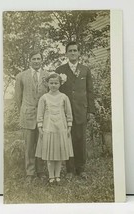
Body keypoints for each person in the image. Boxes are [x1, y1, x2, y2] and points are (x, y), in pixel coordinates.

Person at [56, 41, 95, 179]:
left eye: (75, 50)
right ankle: (70, 170)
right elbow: (56, 91)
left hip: (81, 111)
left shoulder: (85, 69)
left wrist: (90, 110)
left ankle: (81, 168)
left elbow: (90, 91)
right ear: (66, 53)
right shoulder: (60, 70)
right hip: (65, 112)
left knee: (80, 139)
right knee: (68, 139)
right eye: (70, 50)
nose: (73, 53)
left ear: (78, 53)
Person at [15, 49, 49, 183]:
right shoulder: (21, 76)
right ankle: (30, 172)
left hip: (43, 116)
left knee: (41, 144)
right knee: (29, 145)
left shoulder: (47, 75)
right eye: (33, 59)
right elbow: (18, 98)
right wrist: (23, 111)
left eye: (38, 59)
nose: (36, 61)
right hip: (27, 115)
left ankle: (40, 170)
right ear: (30, 60)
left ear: (42, 60)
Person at [35, 72, 73, 183]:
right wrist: (40, 127)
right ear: (47, 84)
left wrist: (69, 126)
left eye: (56, 83)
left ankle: (58, 175)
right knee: (50, 154)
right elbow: (40, 114)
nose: (53, 85)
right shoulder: (44, 98)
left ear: (60, 84)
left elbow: (68, 113)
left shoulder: (64, 97)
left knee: (59, 153)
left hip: (61, 128)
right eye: (51, 83)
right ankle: (51, 176)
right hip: (48, 128)